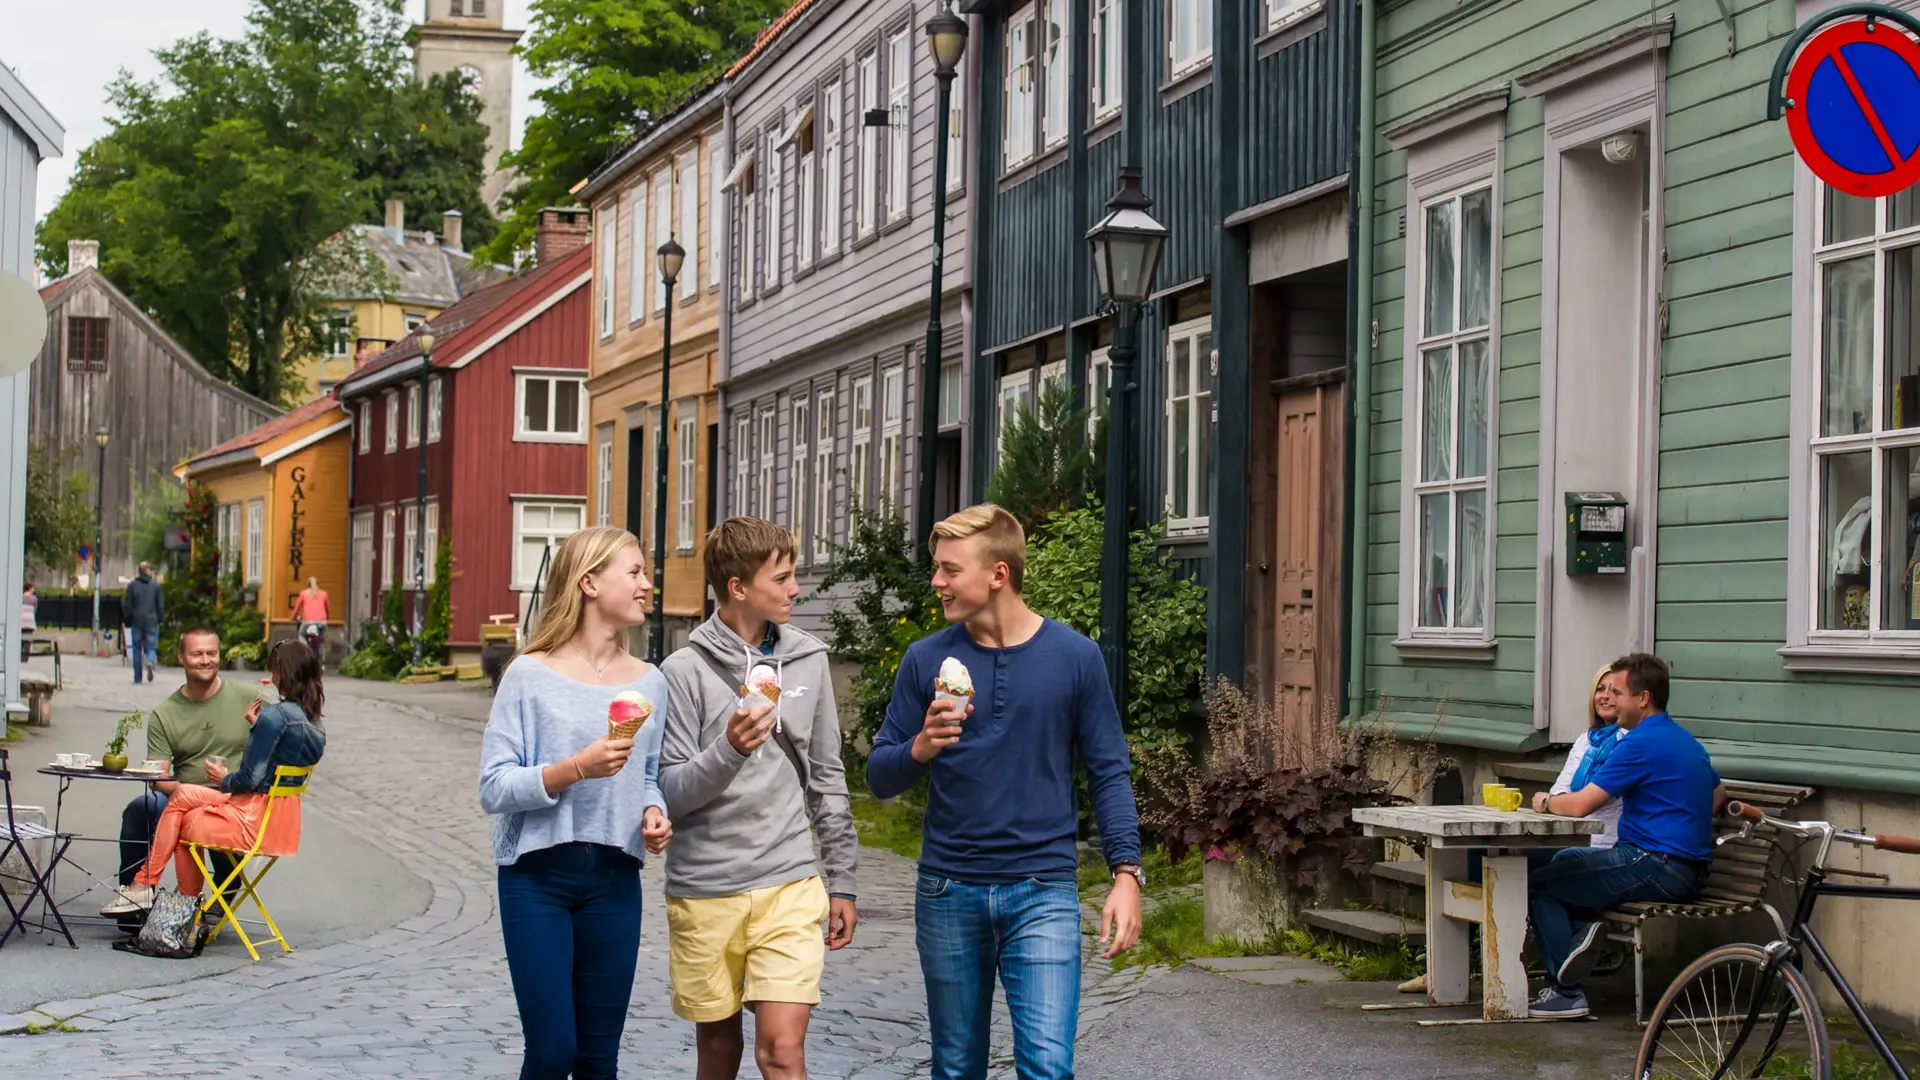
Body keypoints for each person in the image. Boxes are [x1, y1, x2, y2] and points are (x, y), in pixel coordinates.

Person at [868, 505, 1143, 1080]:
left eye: (949, 569)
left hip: (1043, 889)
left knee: (1047, 1067)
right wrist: (920, 746)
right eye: (936, 568)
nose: (936, 582)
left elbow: (1108, 771)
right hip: (948, 889)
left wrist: (1125, 872)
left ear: (998, 574)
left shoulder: (1075, 657)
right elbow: (879, 775)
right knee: (956, 1067)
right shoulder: (925, 659)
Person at [658, 518, 859, 1080]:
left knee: (782, 1051)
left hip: (789, 882)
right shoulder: (683, 671)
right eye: (784, 577)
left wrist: (842, 879)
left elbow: (825, 774)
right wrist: (729, 750)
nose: (796, 589)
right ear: (739, 586)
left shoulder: (809, 660)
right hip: (706, 889)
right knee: (720, 1054)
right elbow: (671, 792)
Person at [479, 526, 673, 1080]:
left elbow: (650, 775)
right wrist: (575, 769)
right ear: (589, 582)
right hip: (536, 878)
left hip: (615, 880)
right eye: (634, 572)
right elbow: (493, 787)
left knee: (598, 1059)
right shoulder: (528, 674)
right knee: (551, 1052)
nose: (646, 585)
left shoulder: (650, 682)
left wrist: (653, 814)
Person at [1398, 665, 1627, 994]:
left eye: (1615, 690)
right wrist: (1559, 801)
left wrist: (1559, 802)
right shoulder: (1586, 741)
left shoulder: (1629, 744)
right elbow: (1560, 793)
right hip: (1570, 838)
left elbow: (1575, 803)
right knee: (1471, 861)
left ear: (1634, 698)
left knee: (1513, 872)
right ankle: (1449, 964)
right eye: (1600, 688)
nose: (1605, 696)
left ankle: (1566, 953)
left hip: (1601, 846)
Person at [1526, 652, 1726, 1019]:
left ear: (1643, 698)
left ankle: (1565, 990)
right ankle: (1583, 937)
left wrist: (1544, 801)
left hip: (1653, 863)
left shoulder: (1638, 743)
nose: (1611, 701)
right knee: (1567, 860)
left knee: (1541, 884)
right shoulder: (1684, 740)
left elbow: (1580, 806)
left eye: (1618, 693)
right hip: (1687, 869)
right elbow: (1717, 796)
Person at [117, 639, 327, 908]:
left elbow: (249, 779)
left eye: (274, 671)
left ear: (285, 673)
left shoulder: (274, 716)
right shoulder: (315, 723)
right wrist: (258, 728)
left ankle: (172, 904)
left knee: (180, 813)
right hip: (281, 820)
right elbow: (282, 761)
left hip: (250, 816)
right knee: (179, 803)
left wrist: (224, 778)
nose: (272, 678)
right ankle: (174, 903)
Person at [101, 627, 254, 916]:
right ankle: (134, 906)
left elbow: (283, 734)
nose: (206, 660)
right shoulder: (166, 712)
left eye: (212, 653)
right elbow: (158, 776)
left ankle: (220, 899)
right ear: (181, 657)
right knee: (140, 808)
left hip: (234, 797)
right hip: (179, 798)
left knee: (208, 820)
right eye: (197, 654)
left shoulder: (248, 697)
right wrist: (187, 793)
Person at [123, 561, 164, 684]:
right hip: (152, 620)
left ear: (139, 571)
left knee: (136, 649)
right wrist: (160, 619)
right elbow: (160, 605)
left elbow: (128, 606)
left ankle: (137, 678)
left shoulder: (132, 586)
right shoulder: (156, 586)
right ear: (148, 571)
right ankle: (150, 662)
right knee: (151, 646)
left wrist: (128, 619)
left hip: (137, 621)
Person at [291, 577, 329, 644]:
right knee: (320, 638)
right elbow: (327, 609)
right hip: (322, 622)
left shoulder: (303, 593)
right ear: (318, 585)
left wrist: (293, 618)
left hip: (308, 621)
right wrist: (327, 618)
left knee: (301, 635)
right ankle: (320, 651)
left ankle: (306, 650)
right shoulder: (324, 594)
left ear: (308, 585)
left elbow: (296, 609)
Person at [18, 580, 34, 663]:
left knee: (20, 639)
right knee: (28, 641)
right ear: (30, 588)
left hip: (21, 621)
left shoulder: (20, 598)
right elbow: (34, 610)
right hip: (30, 622)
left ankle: (18, 655)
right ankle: (25, 658)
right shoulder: (34, 599)